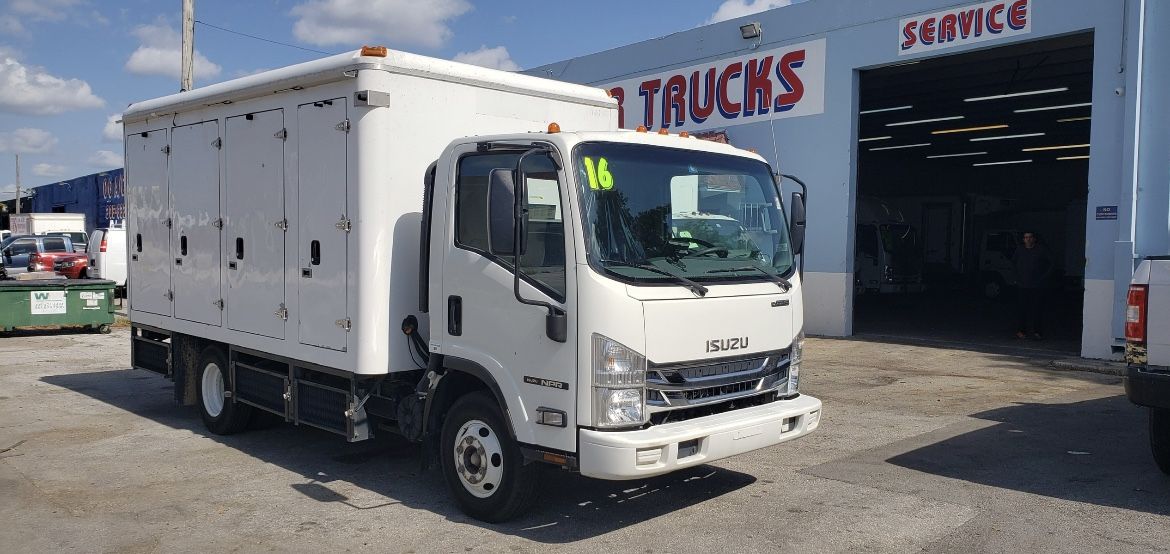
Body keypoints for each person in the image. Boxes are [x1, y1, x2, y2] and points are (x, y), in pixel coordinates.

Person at [1013, 231, 1052, 340]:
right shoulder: (1019, 250)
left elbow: (1051, 263)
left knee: (1037, 309)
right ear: (1023, 239)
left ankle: (1037, 332)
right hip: (1022, 285)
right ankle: (1021, 331)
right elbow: (1013, 264)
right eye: (1026, 237)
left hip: (1037, 285)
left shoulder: (1041, 250)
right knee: (1022, 309)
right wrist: (1016, 278)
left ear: (1034, 239)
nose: (1028, 239)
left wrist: (1044, 277)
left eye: (1030, 237)